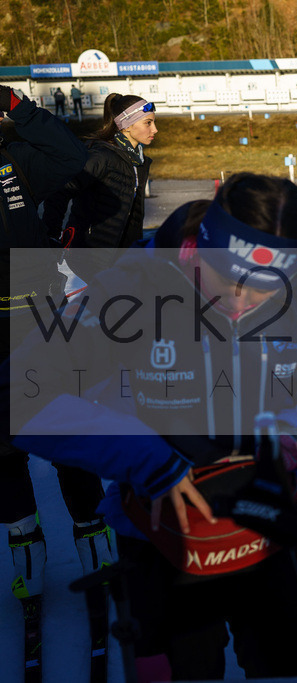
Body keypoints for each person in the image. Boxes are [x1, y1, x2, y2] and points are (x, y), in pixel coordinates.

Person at [7, 173, 297, 680]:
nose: (247, 301)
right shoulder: (128, 292)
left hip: (268, 530)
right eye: (232, 282)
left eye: (270, 285)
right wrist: (149, 459)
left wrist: (292, 439)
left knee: (286, 666)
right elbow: (19, 396)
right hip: (162, 543)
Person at [0, 84, 112, 606]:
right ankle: (27, 554)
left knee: (67, 431)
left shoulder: (14, 159)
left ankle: (95, 542)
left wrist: (19, 109)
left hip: (40, 321)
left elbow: (72, 154)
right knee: (3, 453)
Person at [43, 93, 156, 285]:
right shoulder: (101, 157)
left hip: (122, 255)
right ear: (127, 125)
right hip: (91, 256)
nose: (155, 129)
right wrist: (52, 235)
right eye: (148, 123)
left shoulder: (138, 161)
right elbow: (60, 190)